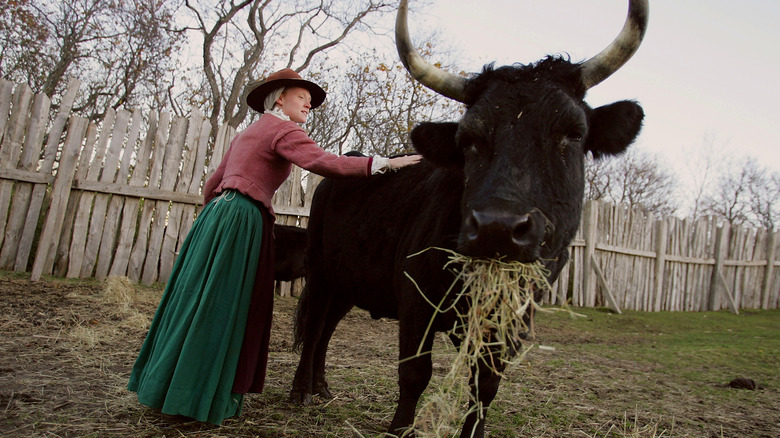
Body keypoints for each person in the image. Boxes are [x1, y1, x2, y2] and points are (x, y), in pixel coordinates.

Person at [127, 68, 421, 425]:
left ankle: (166, 387)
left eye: (310, 101)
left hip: (216, 216)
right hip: (242, 217)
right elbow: (324, 162)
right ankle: (194, 399)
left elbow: (212, 183)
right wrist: (386, 164)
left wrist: (214, 223)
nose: (308, 104)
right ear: (279, 97)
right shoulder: (284, 129)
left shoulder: (248, 132)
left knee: (195, 300)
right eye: (301, 97)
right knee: (222, 306)